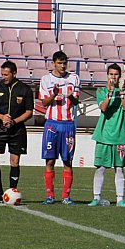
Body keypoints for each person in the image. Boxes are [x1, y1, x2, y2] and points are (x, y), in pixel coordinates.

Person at [0, 61, 34, 203]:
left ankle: (12, 193)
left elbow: (29, 112)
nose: (4, 77)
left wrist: (14, 121)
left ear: (14, 73)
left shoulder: (25, 90)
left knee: (15, 161)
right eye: (2, 74)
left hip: (17, 129)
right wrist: (2, 117)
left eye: (6, 74)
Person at [39, 51, 80, 205]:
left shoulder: (74, 78)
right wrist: (54, 94)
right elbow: (43, 103)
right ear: (53, 63)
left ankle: (66, 197)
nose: (63, 66)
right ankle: (50, 195)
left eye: (65, 63)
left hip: (68, 124)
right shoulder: (46, 79)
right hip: (52, 124)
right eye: (60, 63)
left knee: (68, 161)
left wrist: (70, 96)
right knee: (50, 161)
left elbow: (76, 102)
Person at [89, 64, 125, 208]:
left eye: (116, 74)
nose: (113, 77)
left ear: (120, 76)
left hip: (119, 135)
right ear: (107, 75)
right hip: (103, 135)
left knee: (119, 168)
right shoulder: (101, 90)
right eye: (111, 74)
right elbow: (103, 108)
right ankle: (96, 197)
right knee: (100, 167)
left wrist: (122, 91)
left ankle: (120, 199)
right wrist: (110, 92)